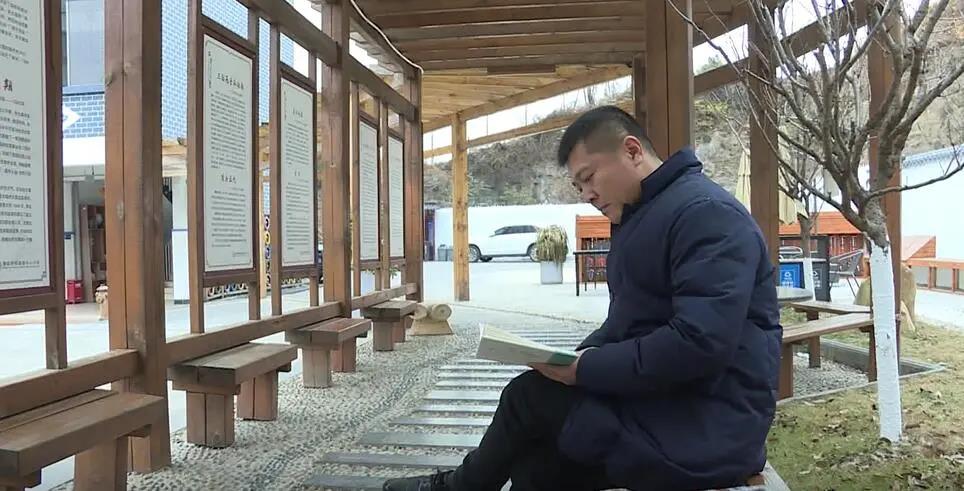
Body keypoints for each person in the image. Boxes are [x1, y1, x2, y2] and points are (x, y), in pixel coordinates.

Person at [383, 106, 782, 491]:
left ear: (632, 151)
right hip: (665, 405)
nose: (587, 194)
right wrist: (566, 359)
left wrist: (585, 369)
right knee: (536, 465)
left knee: (528, 398)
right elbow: (628, 324)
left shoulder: (706, 214)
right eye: (578, 186)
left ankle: (461, 487)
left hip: (710, 428)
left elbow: (700, 343)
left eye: (589, 178)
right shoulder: (647, 215)